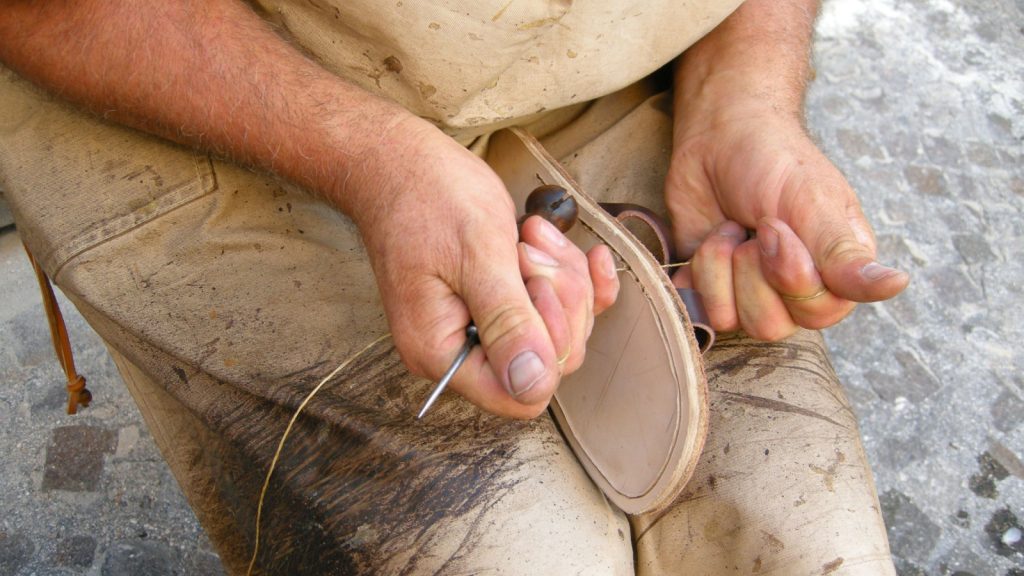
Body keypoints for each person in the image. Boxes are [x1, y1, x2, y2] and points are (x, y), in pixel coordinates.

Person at [0, 0, 908, 574]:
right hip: (231, 90)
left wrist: (744, 93)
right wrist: (372, 163)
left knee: (805, 546)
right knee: (509, 554)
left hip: (620, 73)